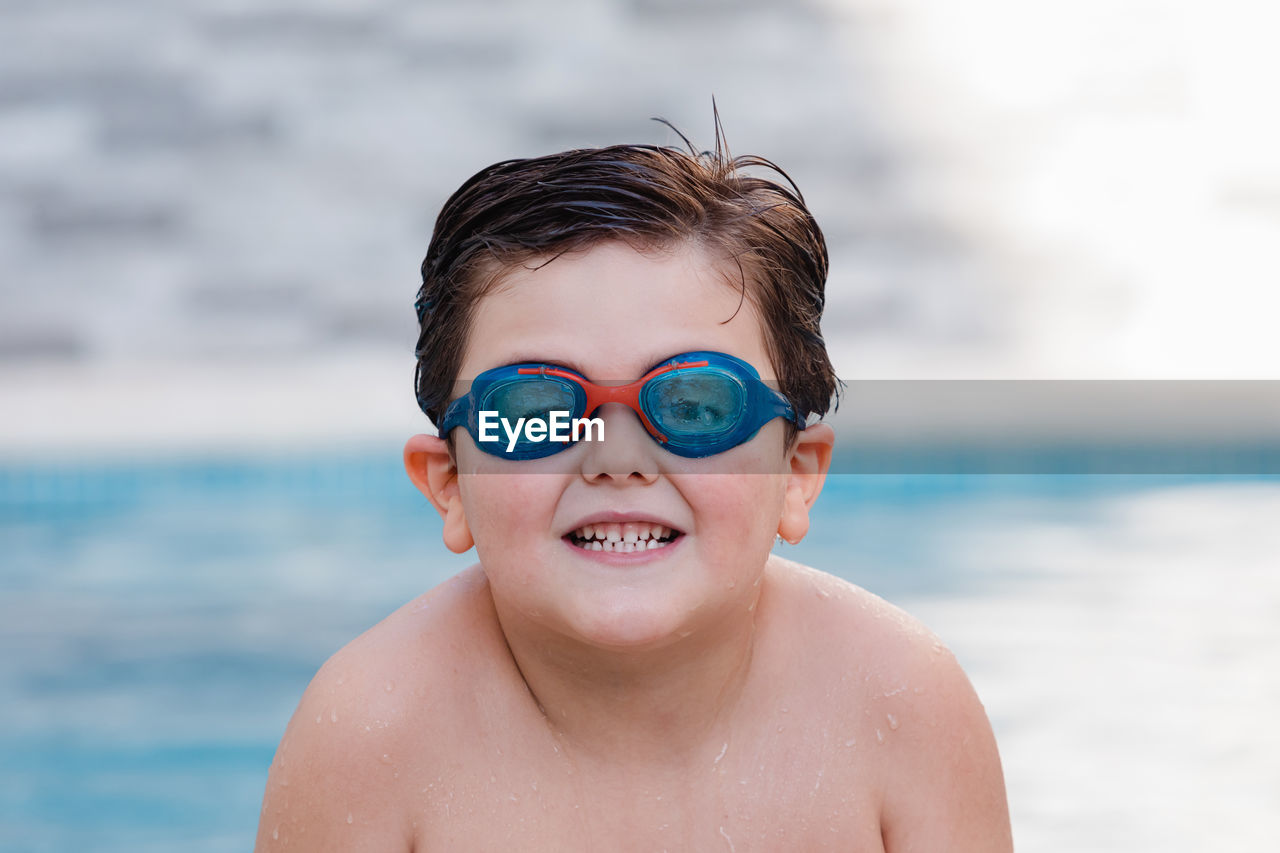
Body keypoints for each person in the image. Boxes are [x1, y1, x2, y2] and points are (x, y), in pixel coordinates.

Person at [255, 133, 1012, 851]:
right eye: (538, 408)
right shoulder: (371, 732)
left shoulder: (900, 703)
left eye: (694, 404)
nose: (616, 456)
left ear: (796, 475)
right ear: (450, 484)